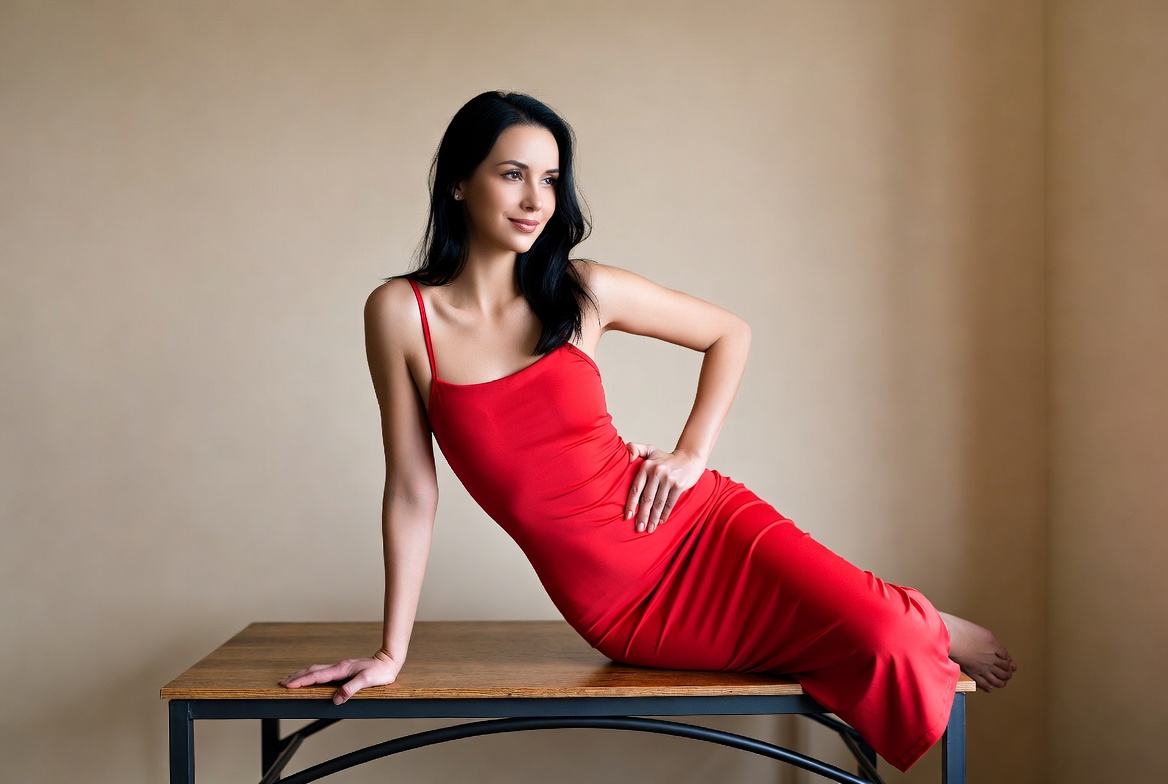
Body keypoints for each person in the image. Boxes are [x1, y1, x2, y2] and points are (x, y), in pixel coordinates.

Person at [280, 90, 1016, 771]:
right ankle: (913, 619)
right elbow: (412, 490)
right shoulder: (400, 313)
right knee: (852, 643)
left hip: (700, 524)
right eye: (512, 175)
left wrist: (691, 455)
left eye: (551, 179)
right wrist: (391, 652)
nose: (536, 200)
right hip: (620, 608)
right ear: (458, 183)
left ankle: (926, 621)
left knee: (884, 638)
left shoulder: (582, 290)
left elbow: (729, 333)